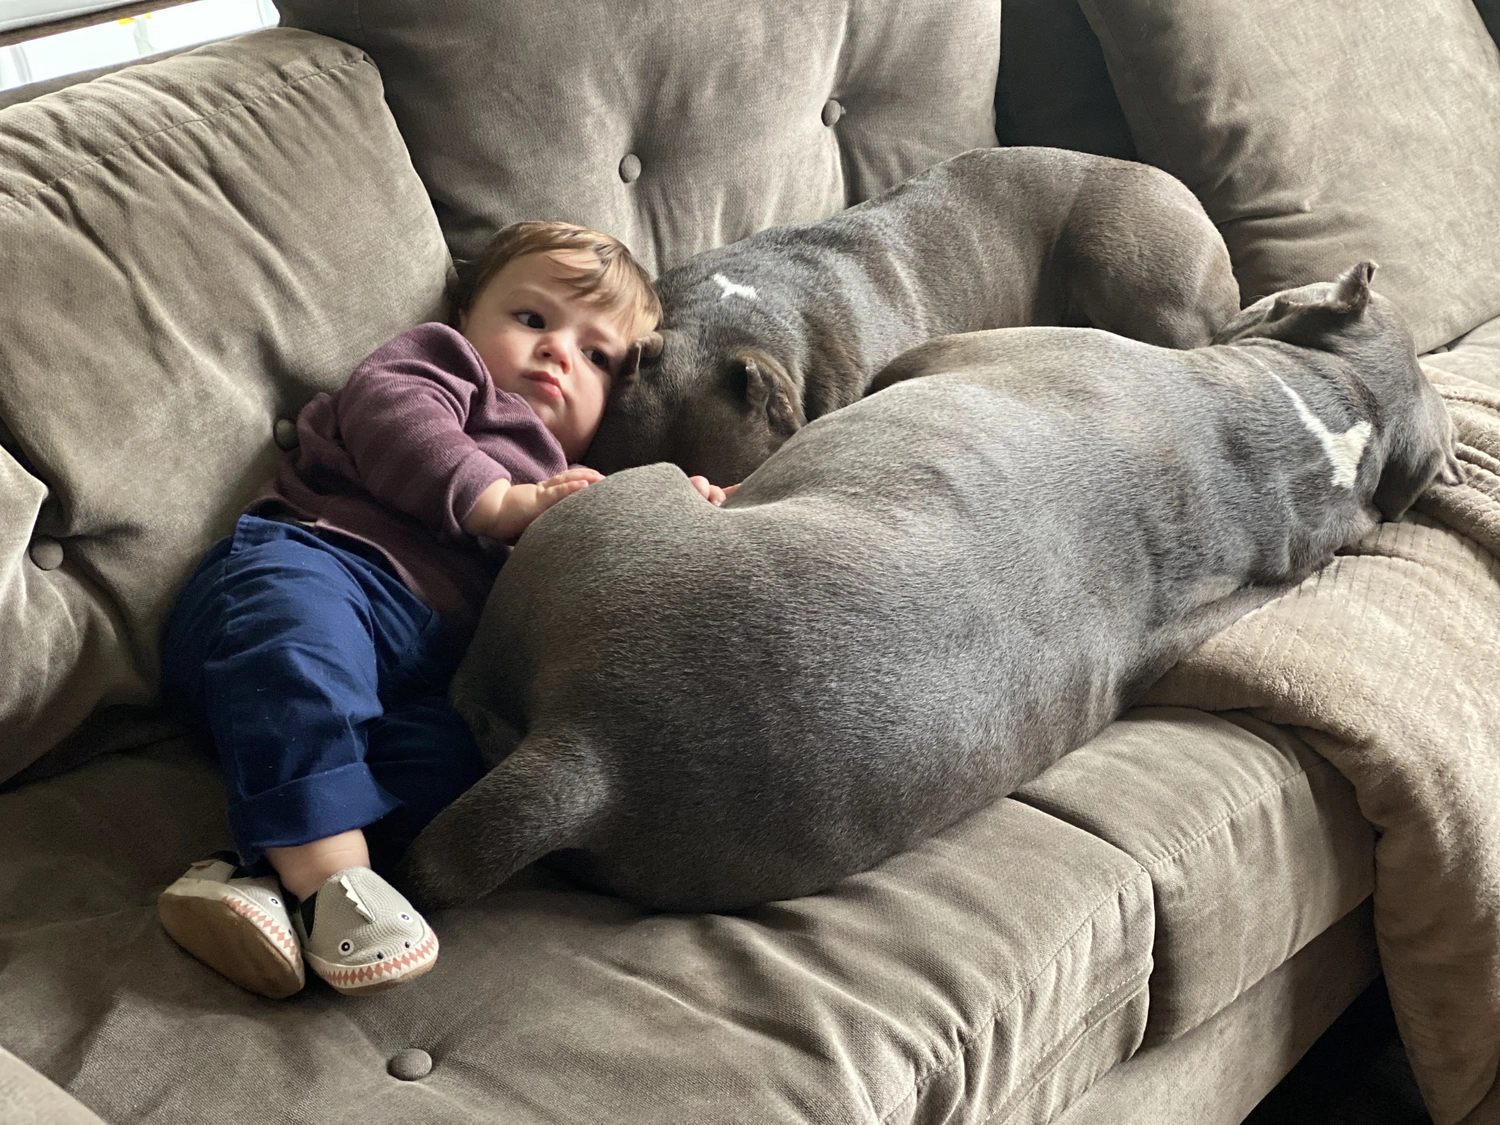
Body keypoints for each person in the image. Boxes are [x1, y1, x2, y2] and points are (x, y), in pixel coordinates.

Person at [155, 221, 729, 999]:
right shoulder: (443, 363)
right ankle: (329, 881)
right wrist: (499, 502)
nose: (559, 352)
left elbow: (599, 557)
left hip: (417, 671)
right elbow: (395, 416)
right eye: (533, 318)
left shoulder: (569, 474)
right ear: (466, 316)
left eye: (597, 356)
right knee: (302, 652)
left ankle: (254, 889)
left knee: (452, 782)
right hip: (314, 567)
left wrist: (674, 508)